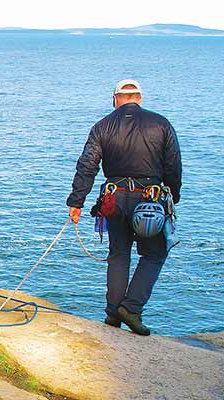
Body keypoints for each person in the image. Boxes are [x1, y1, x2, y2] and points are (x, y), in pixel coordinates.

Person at [66, 80, 182, 335]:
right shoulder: (161, 124)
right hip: (150, 200)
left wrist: (77, 202)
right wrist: (174, 195)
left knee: (119, 254)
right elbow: (173, 165)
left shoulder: (102, 126)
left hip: (114, 198)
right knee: (154, 254)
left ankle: (113, 314)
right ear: (139, 98)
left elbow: (87, 166)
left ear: (115, 99)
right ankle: (131, 308)